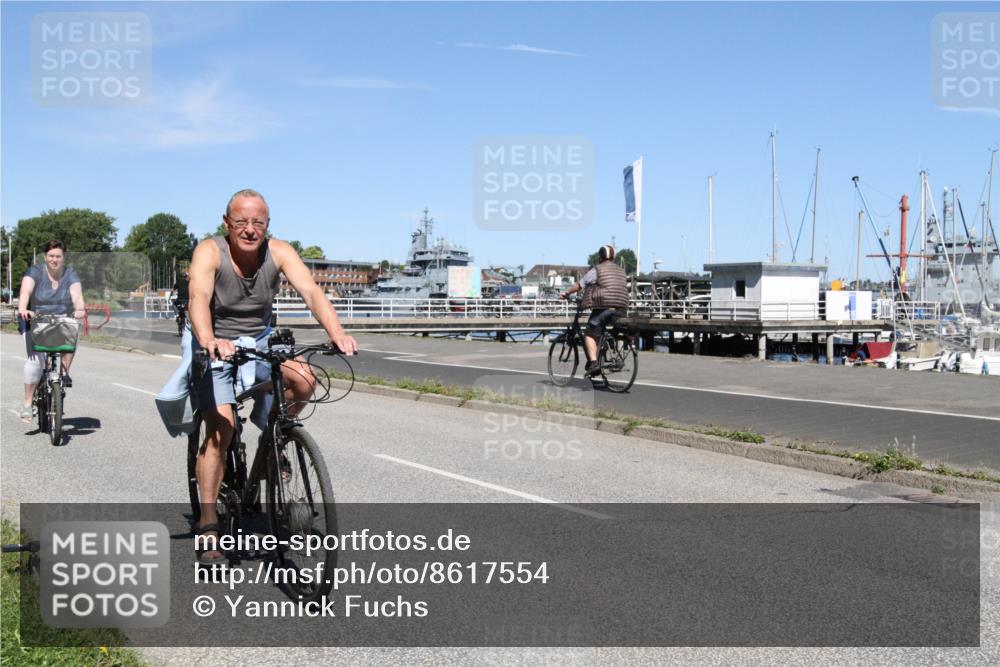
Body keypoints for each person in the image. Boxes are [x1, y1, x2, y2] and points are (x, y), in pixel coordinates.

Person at [189, 188, 358, 564]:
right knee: (222, 428)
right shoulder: (209, 250)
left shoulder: (279, 251)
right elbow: (198, 297)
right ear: (227, 223)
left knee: (304, 376)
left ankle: (275, 435)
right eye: (242, 222)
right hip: (214, 340)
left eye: (258, 223)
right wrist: (209, 339)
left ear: (267, 225)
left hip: (259, 340)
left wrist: (337, 332)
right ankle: (209, 521)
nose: (250, 230)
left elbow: (312, 293)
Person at [16, 240, 86, 420]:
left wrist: (79, 309)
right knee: (36, 360)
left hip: (60, 319)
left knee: (73, 332)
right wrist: (24, 309)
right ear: (45, 257)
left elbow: (77, 295)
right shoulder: (35, 272)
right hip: (34, 319)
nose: (55, 260)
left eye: (58, 256)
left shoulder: (70, 274)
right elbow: (25, 291)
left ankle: (62, 375)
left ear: (64, 257)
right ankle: (27, 403)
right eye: (51, 256)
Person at [559, 245, 629, 376]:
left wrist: (566, 293)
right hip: (621, 308)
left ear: (600, 257)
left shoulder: (597, 270)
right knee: (600, 329)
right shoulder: (621, 271)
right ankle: (601, 353)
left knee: (589, 333)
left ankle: (593, 363)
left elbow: (580, 285)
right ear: (613, 257)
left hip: (604, 307)